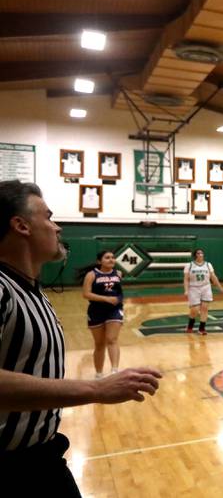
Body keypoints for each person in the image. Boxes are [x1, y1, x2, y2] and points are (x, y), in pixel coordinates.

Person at [0, 180, 160, 495]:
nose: (57, 227)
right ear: (21, 226)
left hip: (42, 458)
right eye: (48, 217)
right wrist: (95, 388)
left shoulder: (32, 291)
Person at [80, 250, 124, 378]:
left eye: (113, 257)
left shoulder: (118, 274)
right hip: (96, 311)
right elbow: (86, 294)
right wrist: (106, 299)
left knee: (112, 339)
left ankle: (115, 371)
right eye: (107, 257)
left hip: (114, 310)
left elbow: (119, 292)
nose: (111, 260)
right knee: (99, 344)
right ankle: (99, 374)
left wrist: (116, 300)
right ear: (100, 261)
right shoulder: (92, 275)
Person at [183, 248, 223, 335]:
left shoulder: (208, 265)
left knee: (205, 308)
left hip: (206, 287)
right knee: (195, 309)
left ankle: (201, 329)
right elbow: (186, 279)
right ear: (195, 255)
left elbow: (213, 277)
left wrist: (219, 287)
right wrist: (186, 290)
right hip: (193, 288)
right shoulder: (189, 265)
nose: (200, 254)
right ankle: (190, 326)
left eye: (202, 253)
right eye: (198, 253)